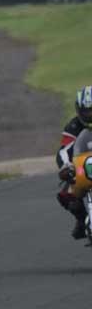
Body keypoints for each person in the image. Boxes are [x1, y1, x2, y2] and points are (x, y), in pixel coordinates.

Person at [55, 86, 92, 239]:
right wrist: (66, 166)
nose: (91, 115)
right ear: (79, 110)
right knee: (65, 193)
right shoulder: (73, 126)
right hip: (84, 168)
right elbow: (64, 150)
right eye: (87, 111)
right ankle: (82, 219)